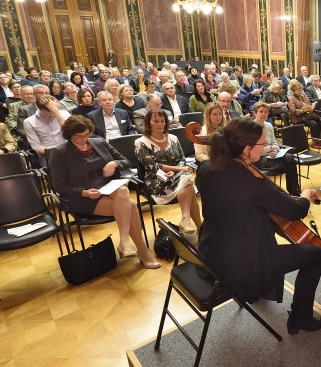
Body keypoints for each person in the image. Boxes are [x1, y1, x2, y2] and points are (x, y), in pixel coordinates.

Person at [196, 117, 321, 334]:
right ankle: (300, 318)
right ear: (246, 149)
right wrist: (304, 196)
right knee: (314, 254)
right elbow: (296, 212)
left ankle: (256, 291)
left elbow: (233, 203)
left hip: (210, 253)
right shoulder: (252, 184)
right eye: (262, 144)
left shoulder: (206, 168)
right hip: (241, 265)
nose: (265, 147)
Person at [48, 115, 160, 268]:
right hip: (85, 196)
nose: (83, 139)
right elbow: (59, 186)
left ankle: (125, 242)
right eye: (78, 136)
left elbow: (126, 161)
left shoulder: (99, 142)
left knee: (122, 192)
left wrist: (114, 163)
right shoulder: (60, 152)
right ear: (69, 135)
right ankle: (141, 250)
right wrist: (84, 192)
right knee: (131, 206)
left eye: (87, 135)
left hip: (109, 186)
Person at [135, 110, 202, 235]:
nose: (160, 124)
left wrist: (177, 170)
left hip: (178, 176)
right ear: (148, 123)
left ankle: (187, 220)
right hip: (156, 179)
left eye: (162, 121)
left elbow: (182, 159)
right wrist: (178, 169)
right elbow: (152, 166)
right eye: (155, 121)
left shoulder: (173, 138)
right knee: (188, 181)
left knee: (186, 180)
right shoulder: (140, 142)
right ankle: (198, 227)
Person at [252, 101, 301, 196]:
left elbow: (274, 142)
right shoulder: (250, 128)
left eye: (266, 112)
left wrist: (275, 149)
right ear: (254, 113)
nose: (263, 114)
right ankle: (289, 192)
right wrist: (269, 149)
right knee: (288, 165)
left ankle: (295, 190)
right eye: (260, 111)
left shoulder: (268, 125)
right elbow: (254, 151)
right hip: (258, 158)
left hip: (271, 154)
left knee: (290, 157)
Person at [23, 96, 68, 167]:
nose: (57, 110)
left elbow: (71, 133)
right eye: (53, 109)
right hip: (47, 154)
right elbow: (36, 146)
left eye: (57, 108)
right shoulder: (29, 122)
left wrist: (57, 113)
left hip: (67, 150)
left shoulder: (64, 114)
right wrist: (55, 152)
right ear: (42, 109)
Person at [287, 80, 321, 149]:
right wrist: (303, 110)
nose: (300, 91)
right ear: (294, 90)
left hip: (307, 115)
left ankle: (319, 140)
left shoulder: (303, 97)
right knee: (313, 123)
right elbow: (292, 110)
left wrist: (311, 107)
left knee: (319, 121)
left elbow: (308, 104)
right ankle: (314, 142)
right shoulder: (292, 99)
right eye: (298, 90)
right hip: (298, 117)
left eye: (301, 89)